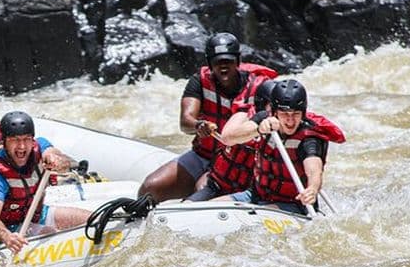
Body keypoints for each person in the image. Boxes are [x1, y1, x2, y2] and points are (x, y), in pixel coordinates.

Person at [138, 32, 278, 202]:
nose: (223, 66)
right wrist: (198, 125)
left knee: (203, 188)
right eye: (218, 62)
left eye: (228, 61)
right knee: (150, 188)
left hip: (237, 162)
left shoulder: (259, 87)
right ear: (210, 64)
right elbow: (185, 121)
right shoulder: (199, 82)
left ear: (238, 61)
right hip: (203, 154)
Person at [218, 79, 345, 214]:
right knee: (210, 207)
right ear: (274, 112)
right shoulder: (263, 118)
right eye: (284, 114)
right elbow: (227, 139)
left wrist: (312, 189)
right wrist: (258, 129)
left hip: (294, 206)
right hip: (256, 196)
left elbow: (314, 170)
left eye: (296, 114)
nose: (290, 120)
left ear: (303, 113)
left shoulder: (309, 138)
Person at [0, 111, 91, 254]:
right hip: (9, 230)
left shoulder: (40, 145)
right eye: (15, 140)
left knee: (92, 219)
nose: (22, 146)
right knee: (49, 232)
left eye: (26, 139)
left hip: (38, 214)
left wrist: (56, 160)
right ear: (4, 142)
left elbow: (55, 154)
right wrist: (7, 237)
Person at [186, 79, 276, 201]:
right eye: (273, 106)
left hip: (248, 193)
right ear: (262, 102)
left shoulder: (283, 127)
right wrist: (257, 127)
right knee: (190, 203)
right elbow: (227, 138)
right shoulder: (242, 116)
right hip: (218, 184)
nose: (277, 111)